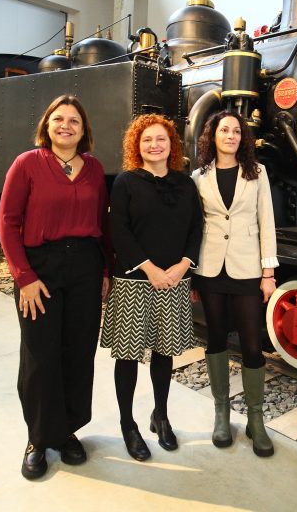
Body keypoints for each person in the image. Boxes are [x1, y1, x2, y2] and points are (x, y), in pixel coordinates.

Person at [0, 94, 110, 480]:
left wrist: (106, 272)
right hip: (40, 267)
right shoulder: (27, 164)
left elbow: (102, 225)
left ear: (84, 129)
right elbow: (8, 222)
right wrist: (24, 277)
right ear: (46, 125)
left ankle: (66, 432)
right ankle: (37, 438)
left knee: (78, 352)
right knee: (40, 354)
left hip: (85, 266)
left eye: (74, 121)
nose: (66, 126)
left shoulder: (94, 169)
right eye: (59, 119)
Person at [100, 114, 202, 461]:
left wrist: (183, 266)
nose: (154, 145)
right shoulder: (125, 182)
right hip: (133, 281)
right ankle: (128, 424)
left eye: (161, 139)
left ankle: (160, 415)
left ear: (172, 145)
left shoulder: (185, 184)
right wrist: (151, 269)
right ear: (136, 145)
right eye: (147, 140)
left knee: (164, 353)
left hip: (174, 280)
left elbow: (195, 229)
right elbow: (120, 231)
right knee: (127, 356)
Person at [192, 111, 278, 457]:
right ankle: (221, 413)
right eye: (223, 130)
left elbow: (266, 221)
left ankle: (256, 420)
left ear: (243, 138)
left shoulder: (257, 173)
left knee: (252, 343)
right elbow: (194, 224)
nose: (230, 135)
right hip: (211, 267)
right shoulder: (198, 177)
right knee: (215, 339)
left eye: (236, 131)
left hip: (247, 268)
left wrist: (268, 273)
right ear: (212, 136)